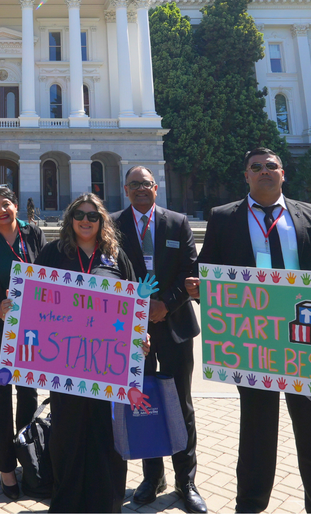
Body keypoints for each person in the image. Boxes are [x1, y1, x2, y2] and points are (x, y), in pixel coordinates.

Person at [186, 148, 311, 514]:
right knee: (256, 431)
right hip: (255, 340)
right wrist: (199, 289)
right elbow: (206, 267)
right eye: (256, 167)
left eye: (271, 166)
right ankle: (250, 505)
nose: (264, 171)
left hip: (308, 340)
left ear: (283, 173)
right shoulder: (224, 217)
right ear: (246, 175)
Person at [36, 193, 141, 513]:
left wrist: (140, 336)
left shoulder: (115, 255)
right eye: (79, 215)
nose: (86, 220)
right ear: (70, 219)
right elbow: (33, 297)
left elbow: (135, 302)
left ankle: (105, 503)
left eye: (92, 216)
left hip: (107, 365)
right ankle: (66, 503)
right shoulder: (54, 252)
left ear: (101, 221)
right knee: (67, 435)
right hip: (65, 364)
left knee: (105, 435)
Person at [111, 167, 205, 513]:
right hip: (134, 331)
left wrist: (166, 304)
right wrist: (139, 309)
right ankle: (152, 477)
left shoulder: (177, 222)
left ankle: (186, 479)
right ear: (126, 189)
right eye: (134, 184)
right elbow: (110, 271)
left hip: (175, 323)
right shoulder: (113, 224)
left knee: (181, 402)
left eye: (146, 184)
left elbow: (189, 270)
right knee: (143, 401)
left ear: (155, 187)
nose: (140, 189)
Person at [0, 185, 45, 500]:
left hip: (30, 325)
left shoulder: (34, 234)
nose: (1, 211)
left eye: (6, 204)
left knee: (28, 391)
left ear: (16, 206)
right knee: (1, 393)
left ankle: (29, 458)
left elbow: (47, 272)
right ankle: (5, 468)